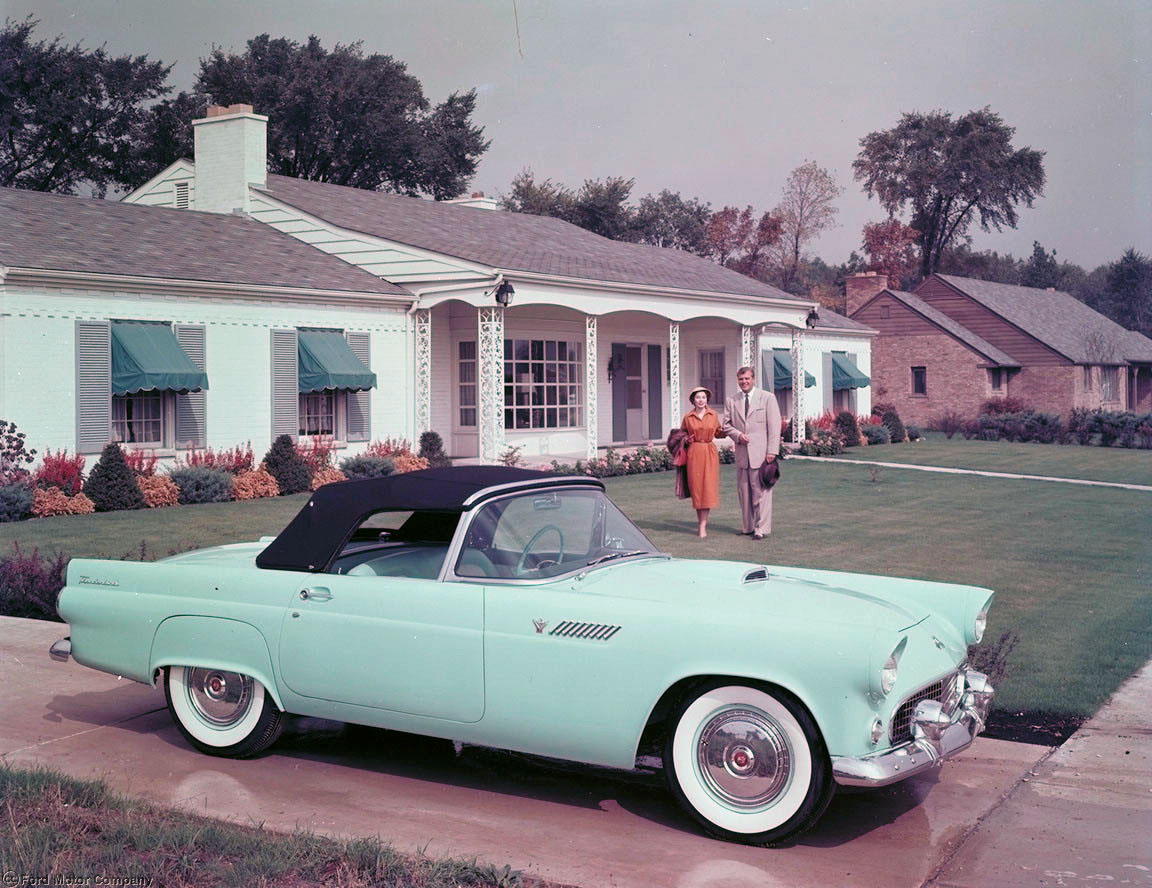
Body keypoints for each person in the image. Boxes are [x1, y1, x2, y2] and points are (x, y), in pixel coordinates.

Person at [722, 366, 781, 540]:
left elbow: (775, 426)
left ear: (753, 379)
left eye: (747, 379)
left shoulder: (767, 398)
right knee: (744, 493)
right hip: (742, 455)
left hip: (762, 455)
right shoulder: (732, 401)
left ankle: (760, 529)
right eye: (741, 379)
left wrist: (772, 450)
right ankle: (747, 527)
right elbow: (726, 425)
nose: (744, 382)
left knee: (761, 493)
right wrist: (738, 435)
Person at [680, 386, 721, 538]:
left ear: (707, 399)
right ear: (693, 400)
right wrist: (686, 439)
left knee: (708, 488)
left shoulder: (713, 415)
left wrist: (729, 430)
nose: (701, 400)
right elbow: (681, 435)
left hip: (709, 451)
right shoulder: (688, 417)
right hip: (694, 452)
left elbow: (719, 431)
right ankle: (700, 524)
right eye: (698, 397)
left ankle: (703, 525)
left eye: (703, 397)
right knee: (698, 489)